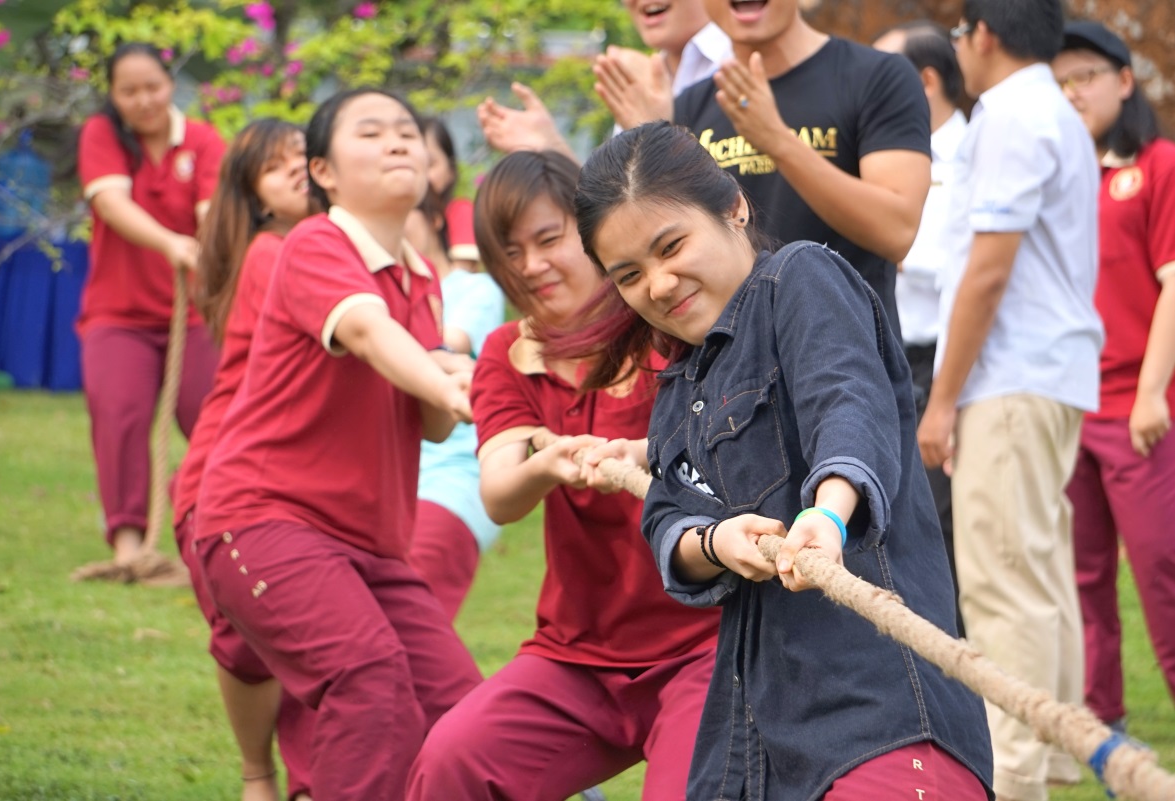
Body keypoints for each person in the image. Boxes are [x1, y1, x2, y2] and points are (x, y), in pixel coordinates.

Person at [569, 120, 992, 801]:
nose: (657, 282)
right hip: (751, 736)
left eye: (669, 245)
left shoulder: (799, 277)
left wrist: (825, 515)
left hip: (877, 716)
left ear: (733, 206)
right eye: (629, 274)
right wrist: (715, 540)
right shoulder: (679, 383)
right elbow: (665, 516)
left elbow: (846, 404)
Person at [193, 88, 482, 801]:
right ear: (322, 171)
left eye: (408, 133)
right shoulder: (316, 242)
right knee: (370, 680)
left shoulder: (422, 280)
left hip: (372, 550)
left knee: (465, 713)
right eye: (372, 132)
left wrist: (451, 376)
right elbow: (364, 330)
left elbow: (434, 424)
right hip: (265, 520)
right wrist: (449, 381)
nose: (398, 143)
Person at [405, 150, 721, 800]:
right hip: (577, 654)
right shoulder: (507, 353)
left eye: (549, 240)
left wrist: (632, 454)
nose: (532, 265)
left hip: (707, 647)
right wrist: (547, 464)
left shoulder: (666, 323)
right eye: (510, 252)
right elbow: (497, 494)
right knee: (451, 760)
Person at [919, 2, 1103, 798]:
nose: (958, 46)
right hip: (1046, 371)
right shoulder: (1045, 108)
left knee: (1002, 584)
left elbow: (987, 270)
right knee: (1038, 572)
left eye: (959, 32)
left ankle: (1014, 775)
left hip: (1011, 375)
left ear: (981, 34)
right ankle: (1056, 753)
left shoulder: (1011, 113)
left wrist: (942, 398)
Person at [171, 119, 314, 801]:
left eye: (302, 156)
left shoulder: (328, 247)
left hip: (292, 486)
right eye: (273, 165)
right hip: (230, 484)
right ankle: (262, 775)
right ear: (252, 194)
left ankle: (303, 781)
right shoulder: (271, 251)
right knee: (252, 644)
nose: (294, 169)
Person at [674, 0, 932, 340]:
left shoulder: (877, 77)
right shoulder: (692, 104)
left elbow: (896, 231)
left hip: (846, 363)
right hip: (734, 373)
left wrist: (778, 141)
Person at [1053, 20, 1175, 728]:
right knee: (1082, 579)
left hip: (1138, 408)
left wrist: (1153, 391)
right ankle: (1104, 732)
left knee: (1160, 570)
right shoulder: (1062, 173)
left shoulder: (1156, 164)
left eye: (1085, 77)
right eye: (1060, 81)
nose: (1072, 93)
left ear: (1123, 81)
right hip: (1068, 405)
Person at [77, 42, 225, 564]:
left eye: (153, 87)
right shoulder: (103, 136)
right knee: (120, 414)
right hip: (117, 314)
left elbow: (213, 213)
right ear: (113, 96)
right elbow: (111, 203)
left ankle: (219, 524)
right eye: (129, 91)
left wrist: (206, 247)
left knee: (214, 416)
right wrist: (170, 242)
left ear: (171, 84)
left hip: (194, 313)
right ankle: (128, 542)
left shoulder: (204, 142)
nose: (143, 100)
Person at [871, 20, 968, 634]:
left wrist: (885, 237)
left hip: (942, 362)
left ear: (926, 79)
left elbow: (964, 263)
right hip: (890, 356)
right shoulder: (892, 150)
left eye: (887, 72)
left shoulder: (967, 152)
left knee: (940, 522)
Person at [405, 186, 505, 621]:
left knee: (411, 621)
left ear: (435, 220)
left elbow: (448, 344)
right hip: (383, 483)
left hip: (452, 478)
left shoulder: (473, 287)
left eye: (403, 213)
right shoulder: (369, 295)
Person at [477, 0, 730, 159]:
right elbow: (626, 209)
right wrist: (552, 149)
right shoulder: (636, 83)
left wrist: (656, 134)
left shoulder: (743, 61)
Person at [421, 117, 480, 270]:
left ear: (451, 170)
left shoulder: (459, 211)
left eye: (430, 164)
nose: (422, 175)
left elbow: (461, 274)